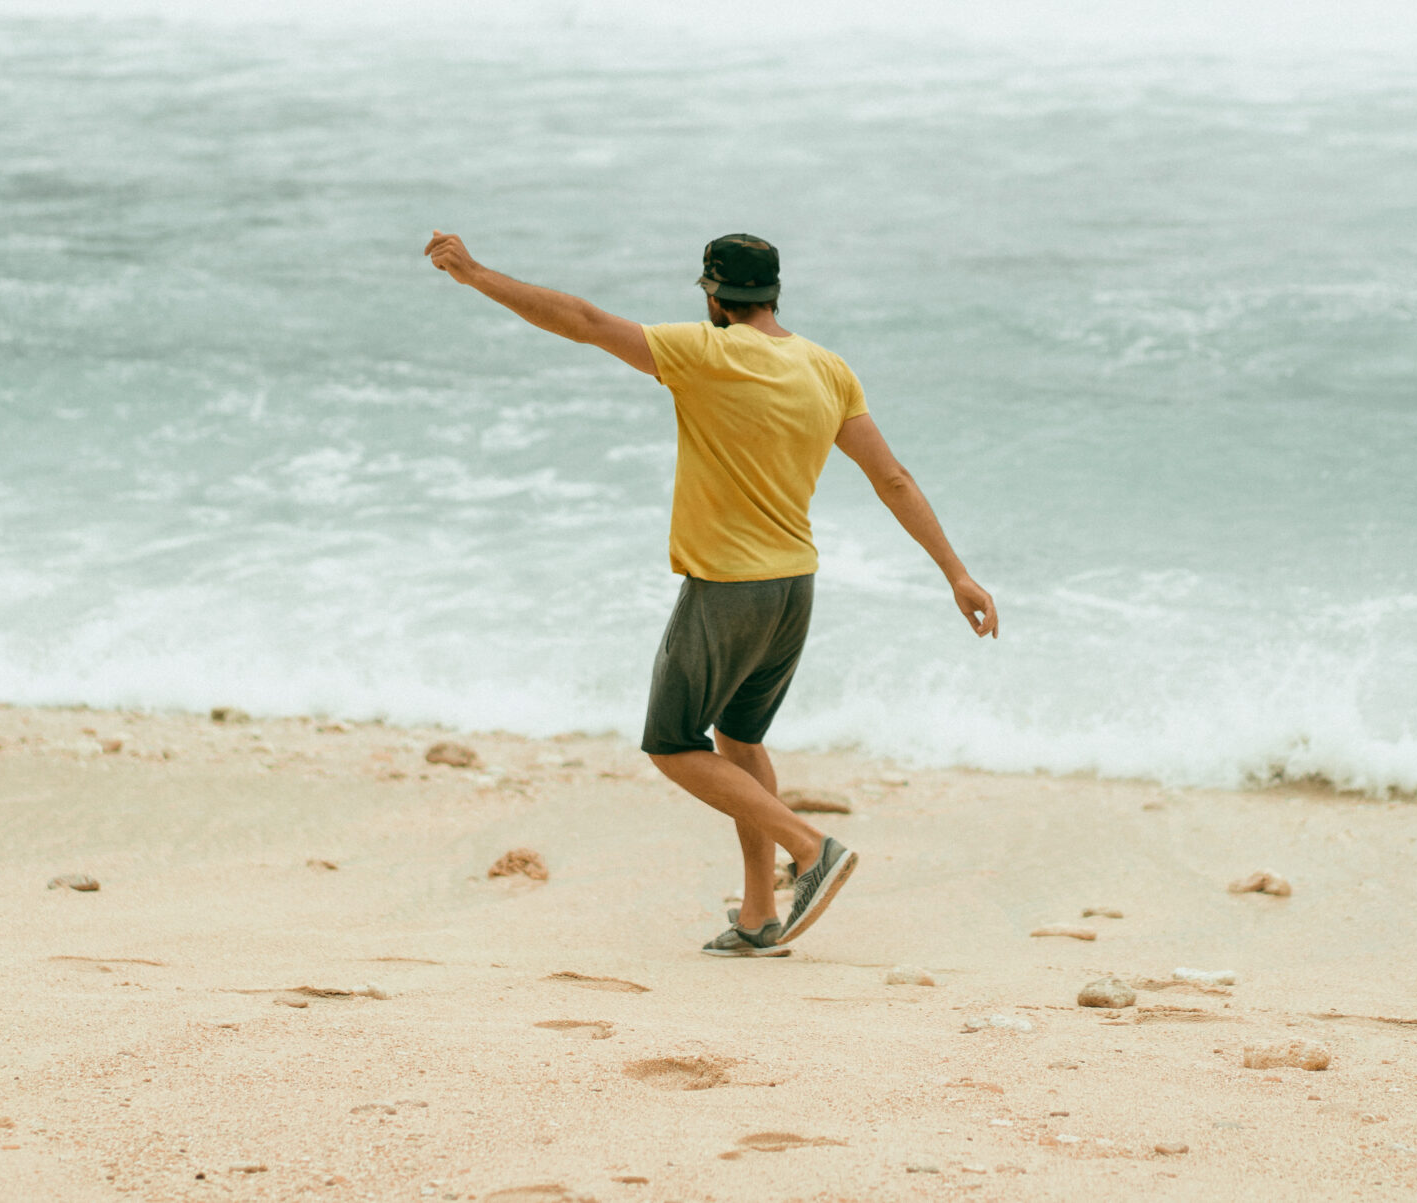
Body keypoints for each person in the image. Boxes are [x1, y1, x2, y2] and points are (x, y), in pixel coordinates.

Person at [423, 229, 997, 955]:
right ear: (775, 294)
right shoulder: (828, 368)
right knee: (739, 736)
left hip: (730, 588)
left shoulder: (705, 351)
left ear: (715, 295)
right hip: (794, 588)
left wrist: (475, 275)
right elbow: (893, 478)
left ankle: (810, 847)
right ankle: (760, 916)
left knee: (671, 741)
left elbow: (585, 321)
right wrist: (957, 572)